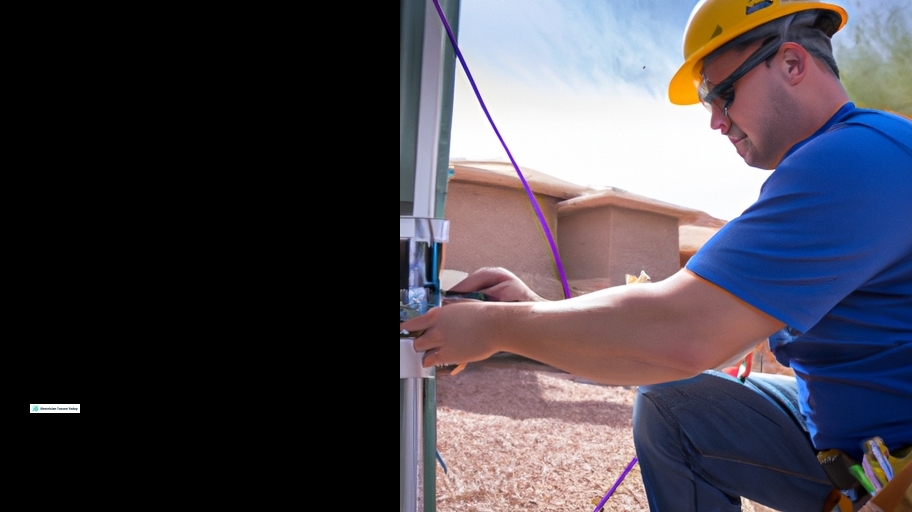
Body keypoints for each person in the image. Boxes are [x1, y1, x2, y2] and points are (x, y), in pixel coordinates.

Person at [402, 0, 912, 510]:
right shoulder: (850, 161)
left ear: (793, 64)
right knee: (674, 405)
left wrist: (495, 328)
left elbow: (683, 332)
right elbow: (701, 330)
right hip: (857, 451)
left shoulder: (853, 163)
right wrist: (533, 310)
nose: (716, 120)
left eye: (724, 94)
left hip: (891, 469)